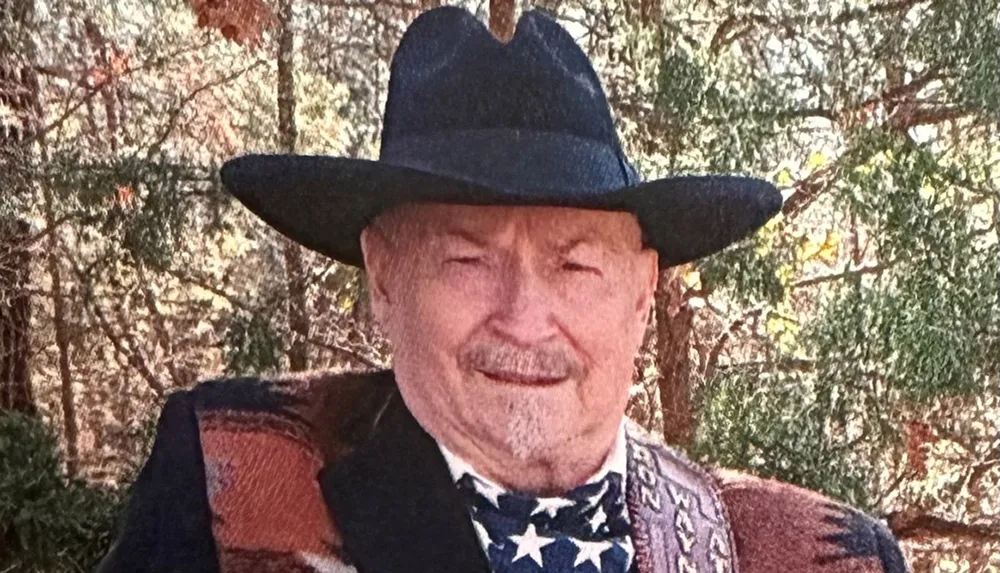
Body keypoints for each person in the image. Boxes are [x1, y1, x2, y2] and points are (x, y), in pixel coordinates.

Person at [97, 7, 909, 573]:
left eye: (575, 264)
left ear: (642, 292)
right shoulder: (233, 479)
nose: (524, 318)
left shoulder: (818, 553)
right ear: (384, 276)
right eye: (467, 259)